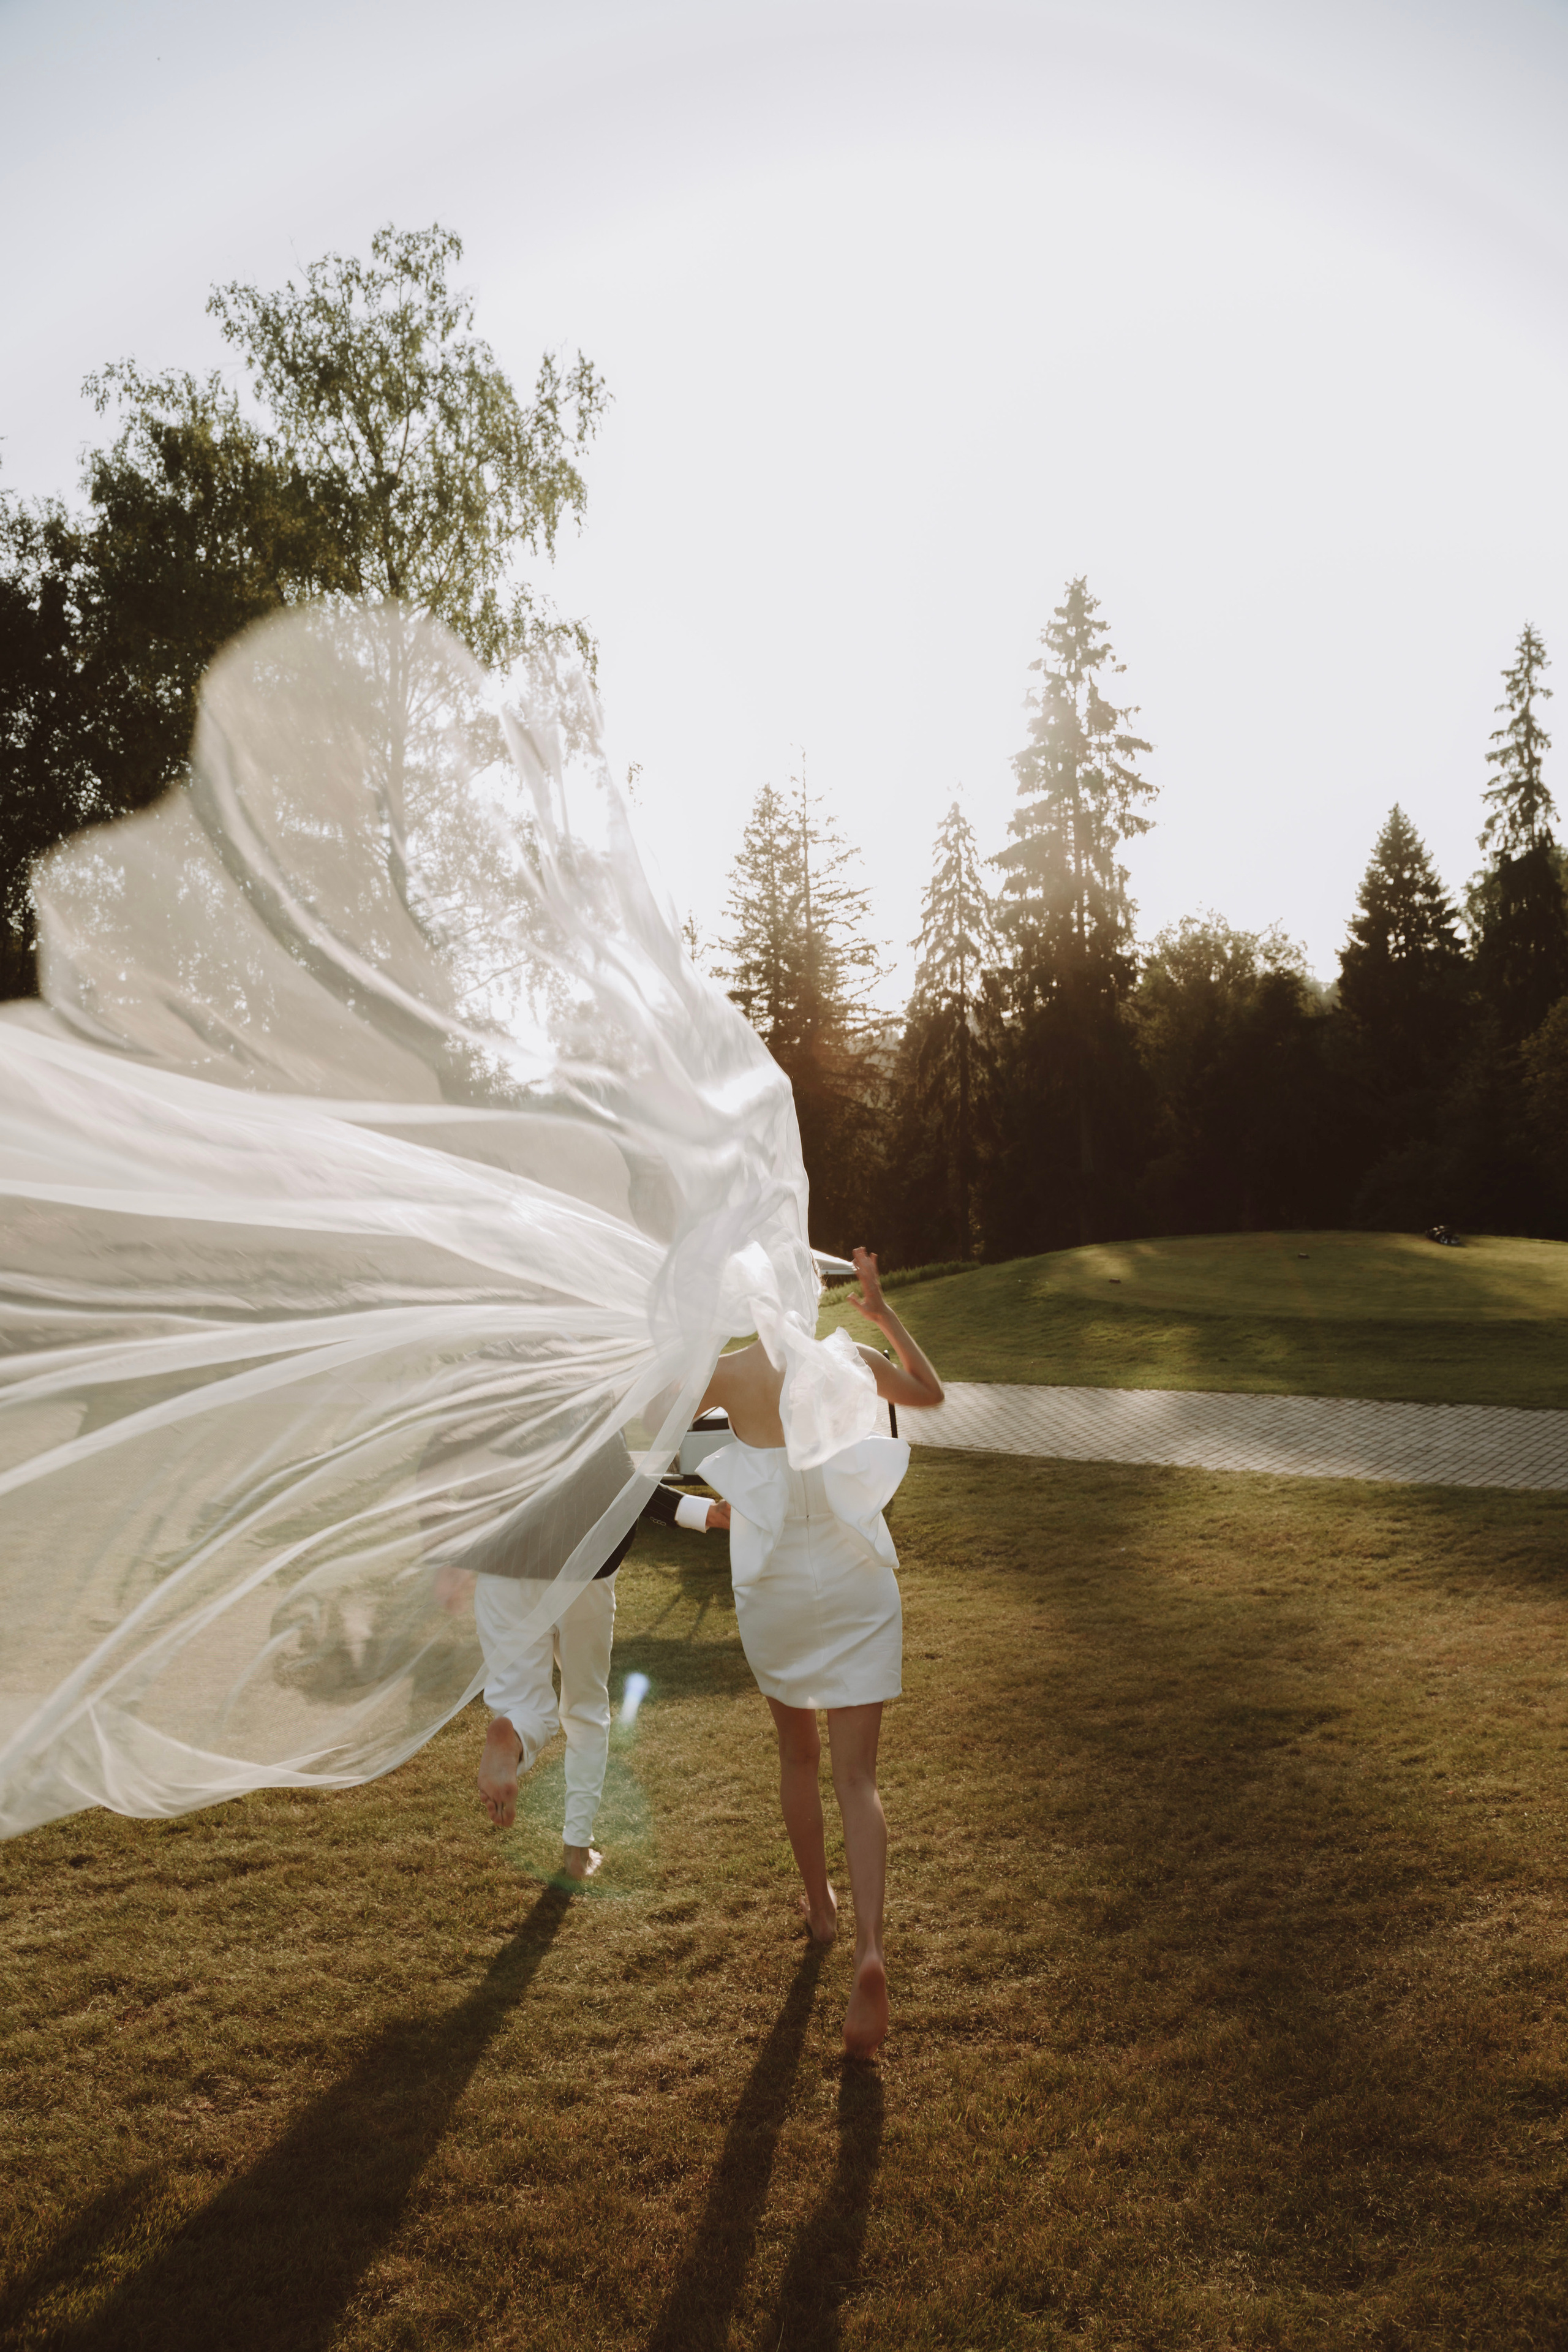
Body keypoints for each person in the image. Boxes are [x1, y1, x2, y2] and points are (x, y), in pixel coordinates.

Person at [696, 1246, 944, 2059]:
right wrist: (879, 1312)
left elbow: (642, 1415)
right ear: (817, 1289)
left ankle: (822, 1907)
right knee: (858, 1777)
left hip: (774, 1588)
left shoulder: (728, 1374)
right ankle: (871, 1947)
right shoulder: (853, 1359)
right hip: (854, 1580)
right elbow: (930, 1395)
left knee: (797, 1757)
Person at [467, 1449, 730, 1878]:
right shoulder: (586, 1391)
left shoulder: (494, 1394)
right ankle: (576, 1851)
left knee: (523, 1702)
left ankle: (512, 1732)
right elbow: (626, 1484)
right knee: (586, 1710)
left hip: (505, 1567)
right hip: (583, 1569)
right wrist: (706, 1512)